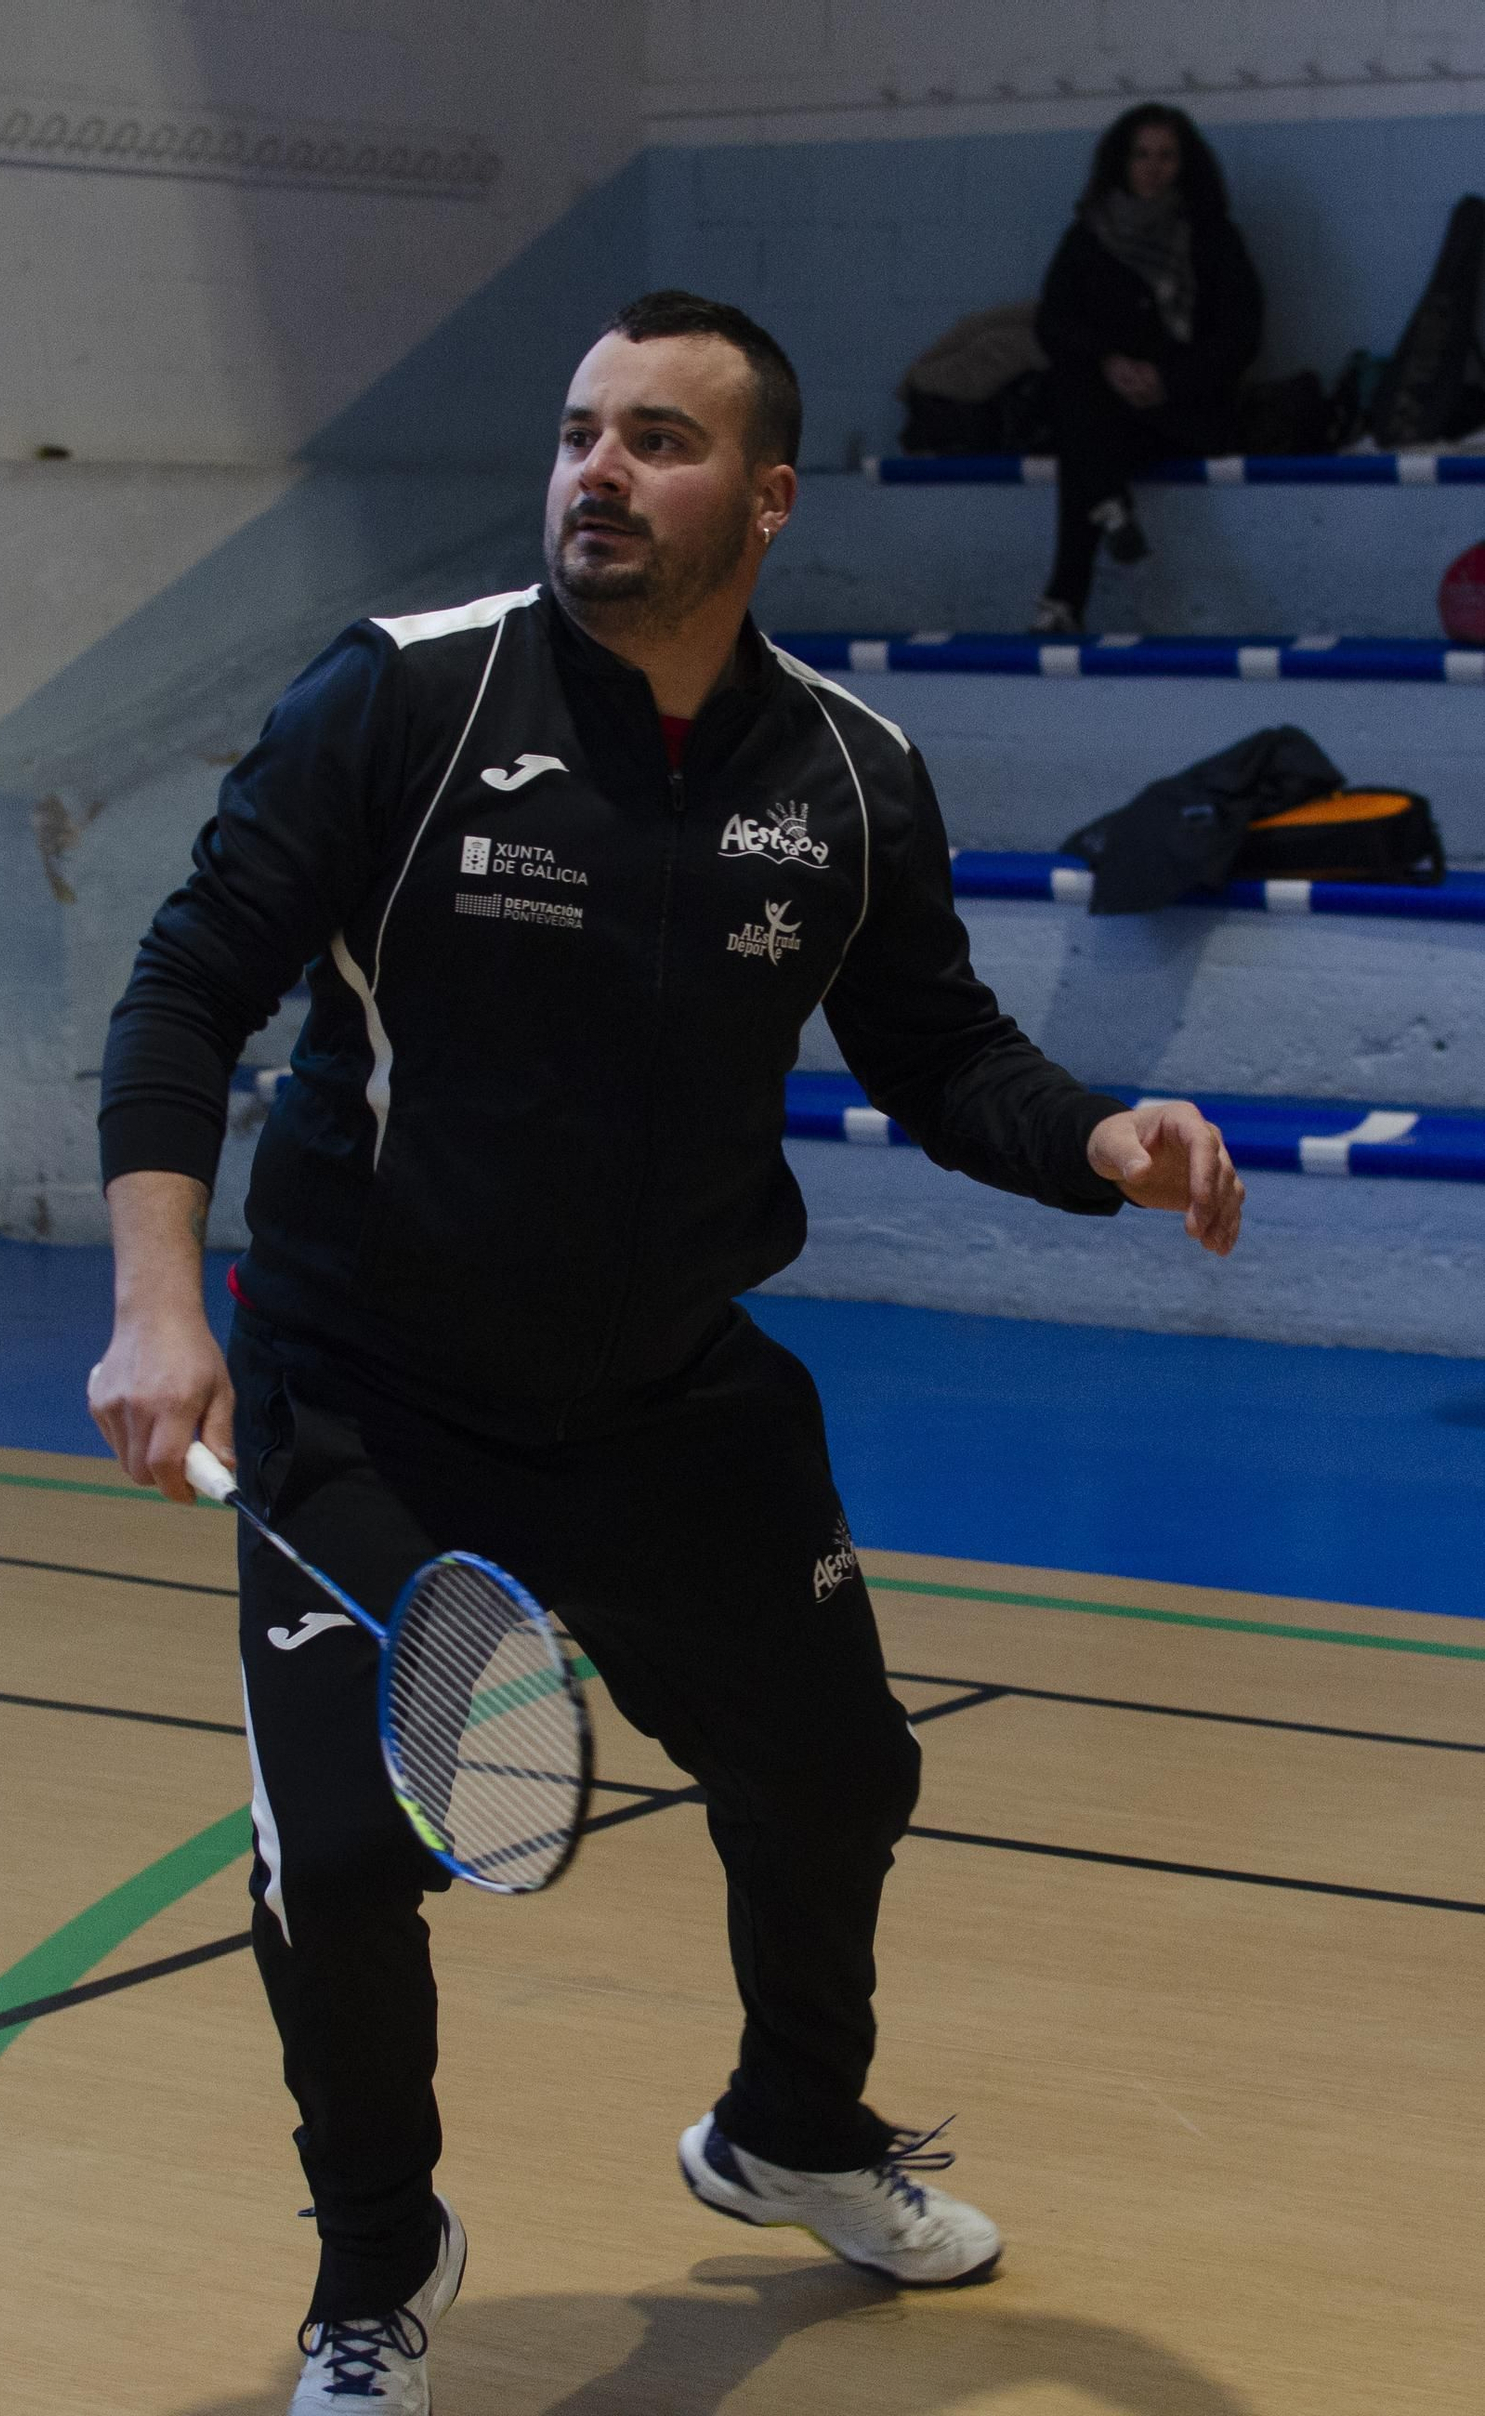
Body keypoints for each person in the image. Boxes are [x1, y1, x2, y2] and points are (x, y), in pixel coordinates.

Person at [88, 289, 1245, 2415]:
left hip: (667, 1391)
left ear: (768, 496)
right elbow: (184, 988)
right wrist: (161, 1301)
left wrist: (1099, 1139)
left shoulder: (848, 775)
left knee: (841, 1771)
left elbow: (936, 1047)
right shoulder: (404, 699)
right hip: (368, 1397)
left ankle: (790, 2130)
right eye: (579, 431)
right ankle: (379, 2260)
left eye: (657, 439)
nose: (597, 471)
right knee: (339, 1859)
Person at [1031, 105, 1264, 634]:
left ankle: (1066, 592)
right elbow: (1054, 322)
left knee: (1084, 448)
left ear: (1184, 164)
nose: (1153, 169)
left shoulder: (1211, 237)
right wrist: (1110, 362)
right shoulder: (1090, 235)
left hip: (1183, 409)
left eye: (1166, 156)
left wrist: (1168, 380)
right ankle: (1102, 518)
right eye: (1141, 155)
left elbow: (1241, 335)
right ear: (1122, 161)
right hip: (1105, 404)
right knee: (1078, 393)